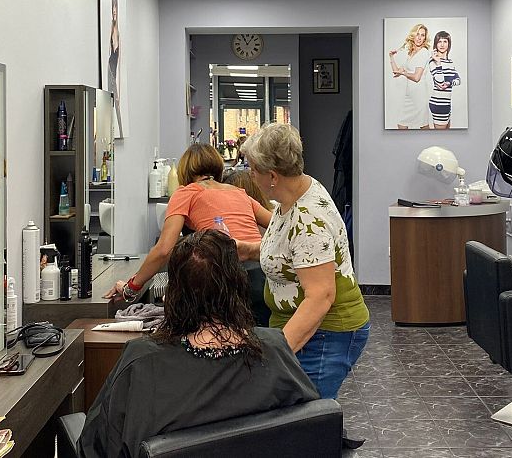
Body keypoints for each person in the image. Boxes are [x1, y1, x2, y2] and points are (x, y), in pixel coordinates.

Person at [81, 230, 319, 458]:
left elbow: (98, 445)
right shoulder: (273, 348)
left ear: (173, 293)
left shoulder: (143, 360)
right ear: (237, 287)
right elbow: (311, 430)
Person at [238, 124, 370, 400]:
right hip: (308, 327)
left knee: (307, 416)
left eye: (252, 169)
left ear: (272, 175)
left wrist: (278, 353)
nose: (250, 175)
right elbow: (298, 252)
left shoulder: (308, 217)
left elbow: (321, 296)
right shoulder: (296, 191)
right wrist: (251, 250)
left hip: (327, 333)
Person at [106, 143, 272, 305]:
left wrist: (131, 287)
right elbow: (279, 224)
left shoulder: (187, 193)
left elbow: (163, 250)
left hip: (224, 279)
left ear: (184, 171)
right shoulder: (238, 192)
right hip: (261, 277)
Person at [389, 23, 431, 129]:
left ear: (425, 38)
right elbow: (396, 72)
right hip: (410, 96)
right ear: (413, 35)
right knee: (402, 124)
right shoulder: (411, 53)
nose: (419, 38)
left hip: (419, 96)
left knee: (423, 127)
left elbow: (417, 78)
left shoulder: (424, 52)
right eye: (418, 34)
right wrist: (391, 57)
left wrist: (403, 73)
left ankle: (432, 143)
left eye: (422, 35)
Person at [427, 31, 462, 129]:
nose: (442, 45)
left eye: (445, 41)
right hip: (438, 104)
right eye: (439, 42)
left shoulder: (450, 62)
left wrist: (449, 83)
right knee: (441, 138)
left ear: (449, 44)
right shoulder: (432, 61)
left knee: (447, 136)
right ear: (436, 44)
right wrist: (438, 63)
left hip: (447, 103)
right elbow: (439, 81)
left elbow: (458, 80)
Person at [108, 0, 123, 137]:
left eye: (115, 6)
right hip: (108, 76)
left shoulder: (118, 34)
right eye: (112, 6)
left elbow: (119, 68)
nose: (114, 10)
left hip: (114, 79)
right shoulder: (109, 33)